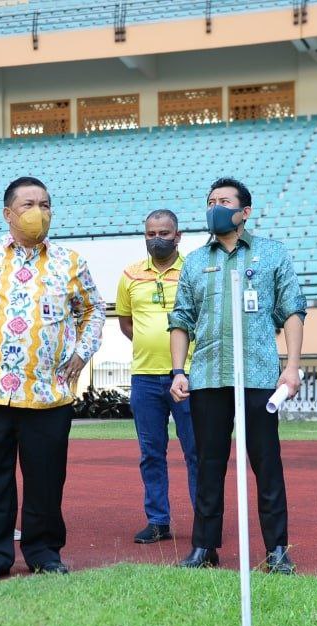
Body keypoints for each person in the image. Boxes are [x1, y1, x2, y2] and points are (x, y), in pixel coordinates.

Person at [0, 176, 105, 583]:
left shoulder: (70, 261)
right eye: (29, 204)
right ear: (8, 213)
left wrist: (81, 354)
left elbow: (94, 310)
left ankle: (44, 551)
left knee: (46, 479)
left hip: (49, 393)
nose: (39, 212)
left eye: (45, 204)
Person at [168, 177, 306, 575]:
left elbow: (293, 310)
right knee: (208, 463)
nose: (216, 206)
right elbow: (181, 319)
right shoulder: (195, 261)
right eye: (210, 201)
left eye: (224, 201)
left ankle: (277, 550)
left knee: (267, 463)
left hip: (259, 375)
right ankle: (204, 548)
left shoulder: (272, 254)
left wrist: (291, 367)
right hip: (208, 376)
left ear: (245, 212)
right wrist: (179, 370)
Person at [116, 210, 198, 545]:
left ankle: (204, 521)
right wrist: (151, 345)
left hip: (190, 377)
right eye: (151, 233)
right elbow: (125, 322)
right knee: (151, 452)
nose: (157, 239)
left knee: (196, 451)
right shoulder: (130, 275)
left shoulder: (193, 270)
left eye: (164, 233)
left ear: (178, 236)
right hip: (145, 378)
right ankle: (158, 521)